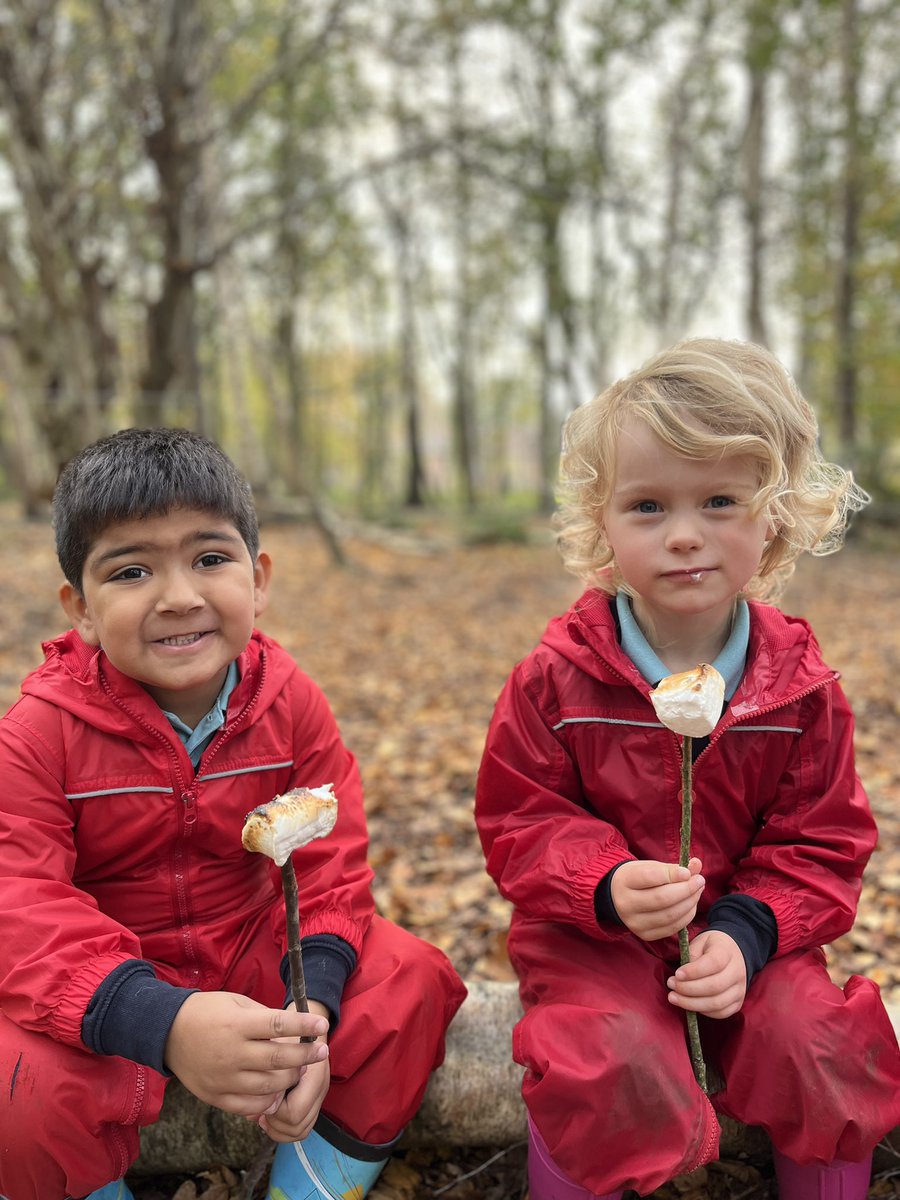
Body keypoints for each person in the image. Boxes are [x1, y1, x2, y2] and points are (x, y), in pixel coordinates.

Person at [475, 338, 900, 1200]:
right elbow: (520, 818)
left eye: (718, 501)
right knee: (603, 1054)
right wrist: (605, 882)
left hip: (754, 942)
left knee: (817, 1039)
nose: (683, 536)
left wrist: (748, 934)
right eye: (645, 506)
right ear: (601, 522)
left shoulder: (799, 690)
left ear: (773, 514)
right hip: (593, 944)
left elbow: (821, 846)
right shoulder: (557, 680)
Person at [0, 428, 467, 1200]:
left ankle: (307, 1186)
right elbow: (21, 907)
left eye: (210, 559)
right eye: (132, 570)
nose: (179, 595)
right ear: (80, 608)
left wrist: (312, 1009)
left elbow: (329, 864)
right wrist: (164, 1023)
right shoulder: (37, 735)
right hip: (108, 982)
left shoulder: (289, 706)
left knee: (411, 982)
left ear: (258, 580)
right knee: (17, 1089)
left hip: (256, 950)